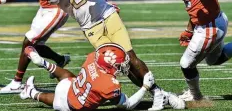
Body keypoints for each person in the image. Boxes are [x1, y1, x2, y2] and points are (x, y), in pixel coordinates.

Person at [37, 0, 185, 110]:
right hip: (91, 29)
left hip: (107, 15)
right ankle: (162, 94)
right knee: (122, 64)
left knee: (130, 56)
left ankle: (157, 94)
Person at [20, 44, 156, 111]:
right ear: (110, 66)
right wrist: (145, 87)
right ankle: (31, 92)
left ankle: (44, 63)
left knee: (69, 77)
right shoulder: (109, 85)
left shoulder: (93, 58)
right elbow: (128, 105)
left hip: (71, 86)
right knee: (58, 100)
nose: (123, 66)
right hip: (70, 105)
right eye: (120, 65)